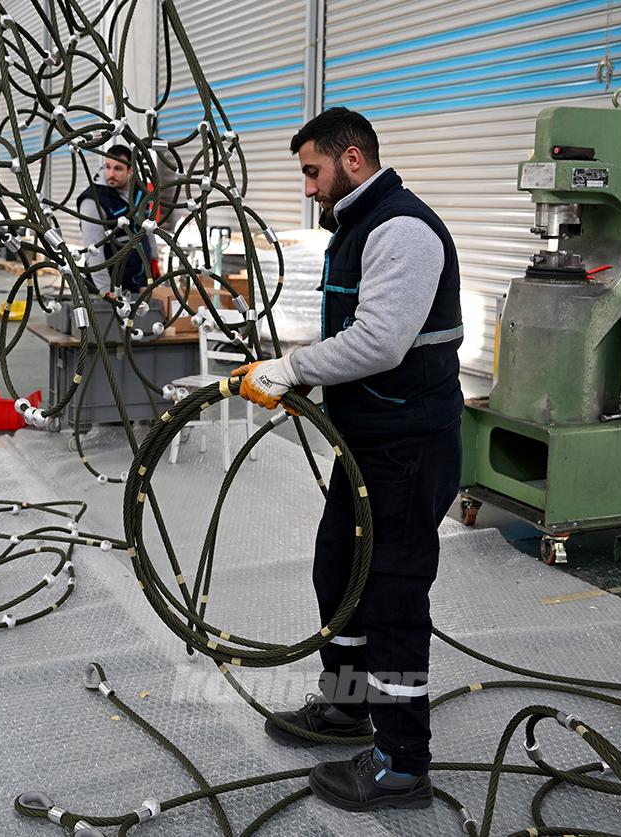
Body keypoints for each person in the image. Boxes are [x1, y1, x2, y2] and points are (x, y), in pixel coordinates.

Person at [232, 107, 463, 812]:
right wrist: (305, 376)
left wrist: (291, 367)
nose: (308, 188)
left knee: (392, 596)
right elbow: (361, 335)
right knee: (340, 574)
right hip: (365, 444)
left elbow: (381, 342)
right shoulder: (358, 227)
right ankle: (346, 707)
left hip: (407, 447)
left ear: (352, 159)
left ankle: (402, 763)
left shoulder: (402, 229)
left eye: (312, 171)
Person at [76, 144, 158, 295]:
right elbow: (93, 252)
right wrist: (106, 291)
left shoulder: (140, 192)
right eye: (108, 167)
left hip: (137, 281)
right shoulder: (93, 201)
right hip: (109, 286)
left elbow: (148, 228)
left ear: (130, 170)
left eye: (118, 169)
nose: (111, 174)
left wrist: (154, 258)